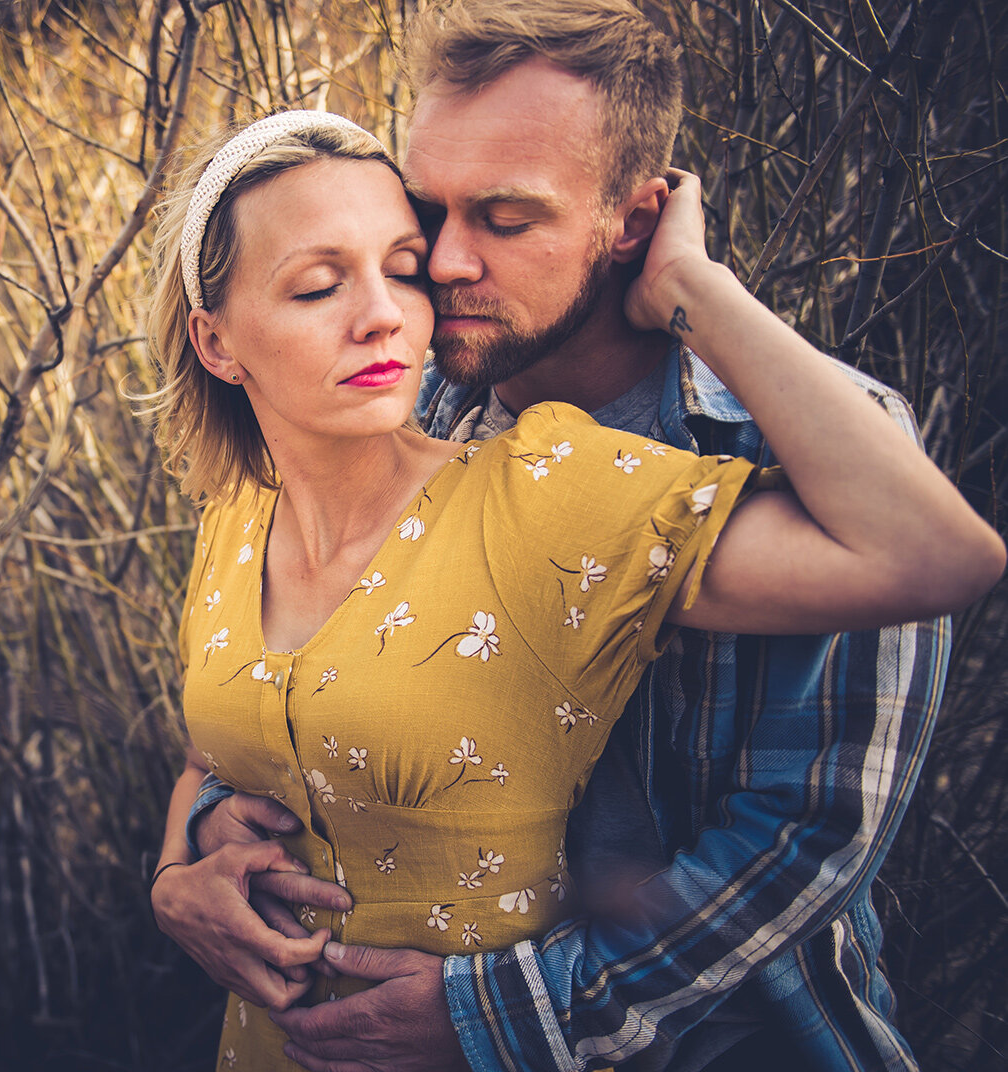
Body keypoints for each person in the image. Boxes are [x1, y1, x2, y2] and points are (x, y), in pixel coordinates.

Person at [171, 4, 987, 1071]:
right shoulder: (413, 406)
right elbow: (287, 707)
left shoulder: (816, 455)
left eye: (506, 219)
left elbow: (799, 837)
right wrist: (189, 852)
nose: (448, 263)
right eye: (431, 213)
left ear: (634, 222)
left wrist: (498, 1015)